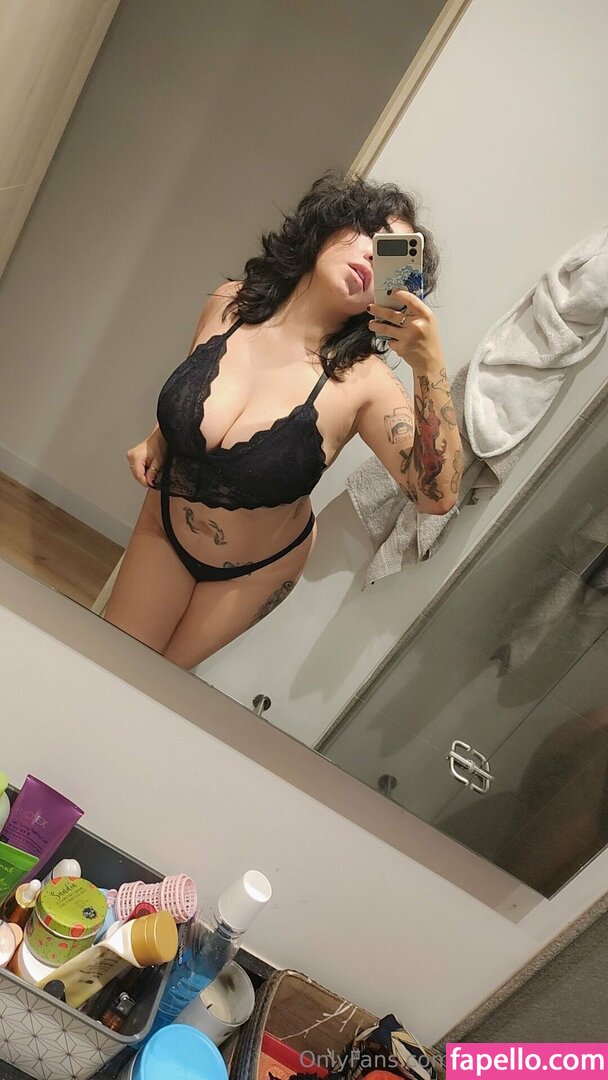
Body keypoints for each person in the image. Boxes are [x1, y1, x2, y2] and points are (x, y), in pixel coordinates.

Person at [103, 171, 462, 670]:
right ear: (327, 226)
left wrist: (429, 366)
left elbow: (436, 497)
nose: (372, 258)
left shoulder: (367, 383)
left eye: (391, 256)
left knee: (156, 685)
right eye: (369, 234)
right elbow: (192, 389)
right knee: (109, 662)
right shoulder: (230, 303)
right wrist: (159, 437)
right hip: (164, 524)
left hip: (254, 570)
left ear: (394, 289)